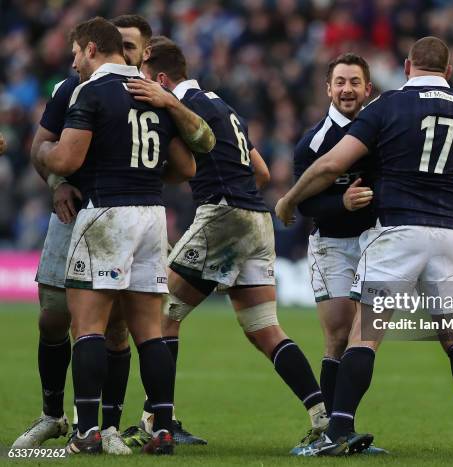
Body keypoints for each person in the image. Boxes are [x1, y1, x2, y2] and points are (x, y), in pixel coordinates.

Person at [276, 36, 453, 458]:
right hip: (447, 235)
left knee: (364, 338)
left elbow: (330, 165)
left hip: (397, 232)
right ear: (449, 71)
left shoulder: (387, 107)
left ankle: (337, 431)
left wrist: (288, 199)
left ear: (405, 67)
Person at [14, 15, 212, 453]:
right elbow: (186, 167)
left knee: (88, 327)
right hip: (152, 217)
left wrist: (47, 151)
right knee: (149, 331)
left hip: (104, 213)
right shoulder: (153, 95)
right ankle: (161, 427)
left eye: (75, 56)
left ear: (89, 49)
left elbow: (63, 158)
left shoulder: (92, 91)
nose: (73, 66)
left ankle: (87, 432)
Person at [127, 39, 329, 451]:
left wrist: (221, 200)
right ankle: (322, 415)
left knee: (161, 313)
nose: (144, 88)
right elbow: (262, 171)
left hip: (222, 214)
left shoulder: (180, 106)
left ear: (162, 79)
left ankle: (157, 420)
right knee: (264, 329)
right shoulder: (224, 107)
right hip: (256, 218)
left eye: (147, 81)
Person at [292, 53, 385, 455]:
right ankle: (330, 429)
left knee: (364, 339)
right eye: (340, 82)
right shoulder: (313, 143)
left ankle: (341, 427)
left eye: (354, 82)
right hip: (332, 244)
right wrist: (340, 205)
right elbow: (305, 206)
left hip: (378, 242)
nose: (347, 89)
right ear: (328, 89)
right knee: (339, 335)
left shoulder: (384, 133)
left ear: (368, 89)